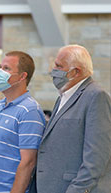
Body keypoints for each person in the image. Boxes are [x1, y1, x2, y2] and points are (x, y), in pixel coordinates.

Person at [36, 45, 111, 193]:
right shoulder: (63, 97)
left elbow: (96, 158)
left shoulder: (96, 96)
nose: (53, 70)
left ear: (76, 72)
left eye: (58, 66)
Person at [0, 51, 46, 193]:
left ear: (22, 76)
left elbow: (28, 162)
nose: (0, 72)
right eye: (0, 67)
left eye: (7, 68)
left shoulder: (30, 111)